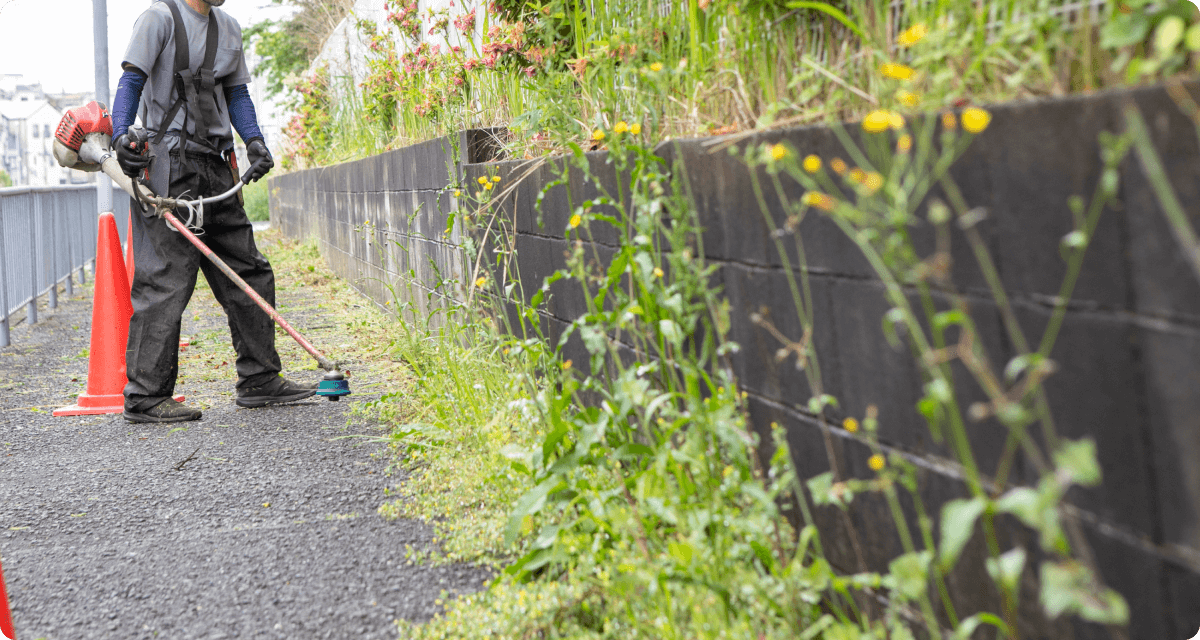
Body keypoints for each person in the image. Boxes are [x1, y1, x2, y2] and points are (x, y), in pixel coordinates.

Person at [110, 0, 315, 423]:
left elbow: (236, 94)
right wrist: (119, 137)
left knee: (249, 269)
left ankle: (259, 379)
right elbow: (131, 83)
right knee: (166, 278)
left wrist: (254, 140)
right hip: (167, 165)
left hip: (216, 166)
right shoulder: (158, 18)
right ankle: (146, 396)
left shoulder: (230, 29)